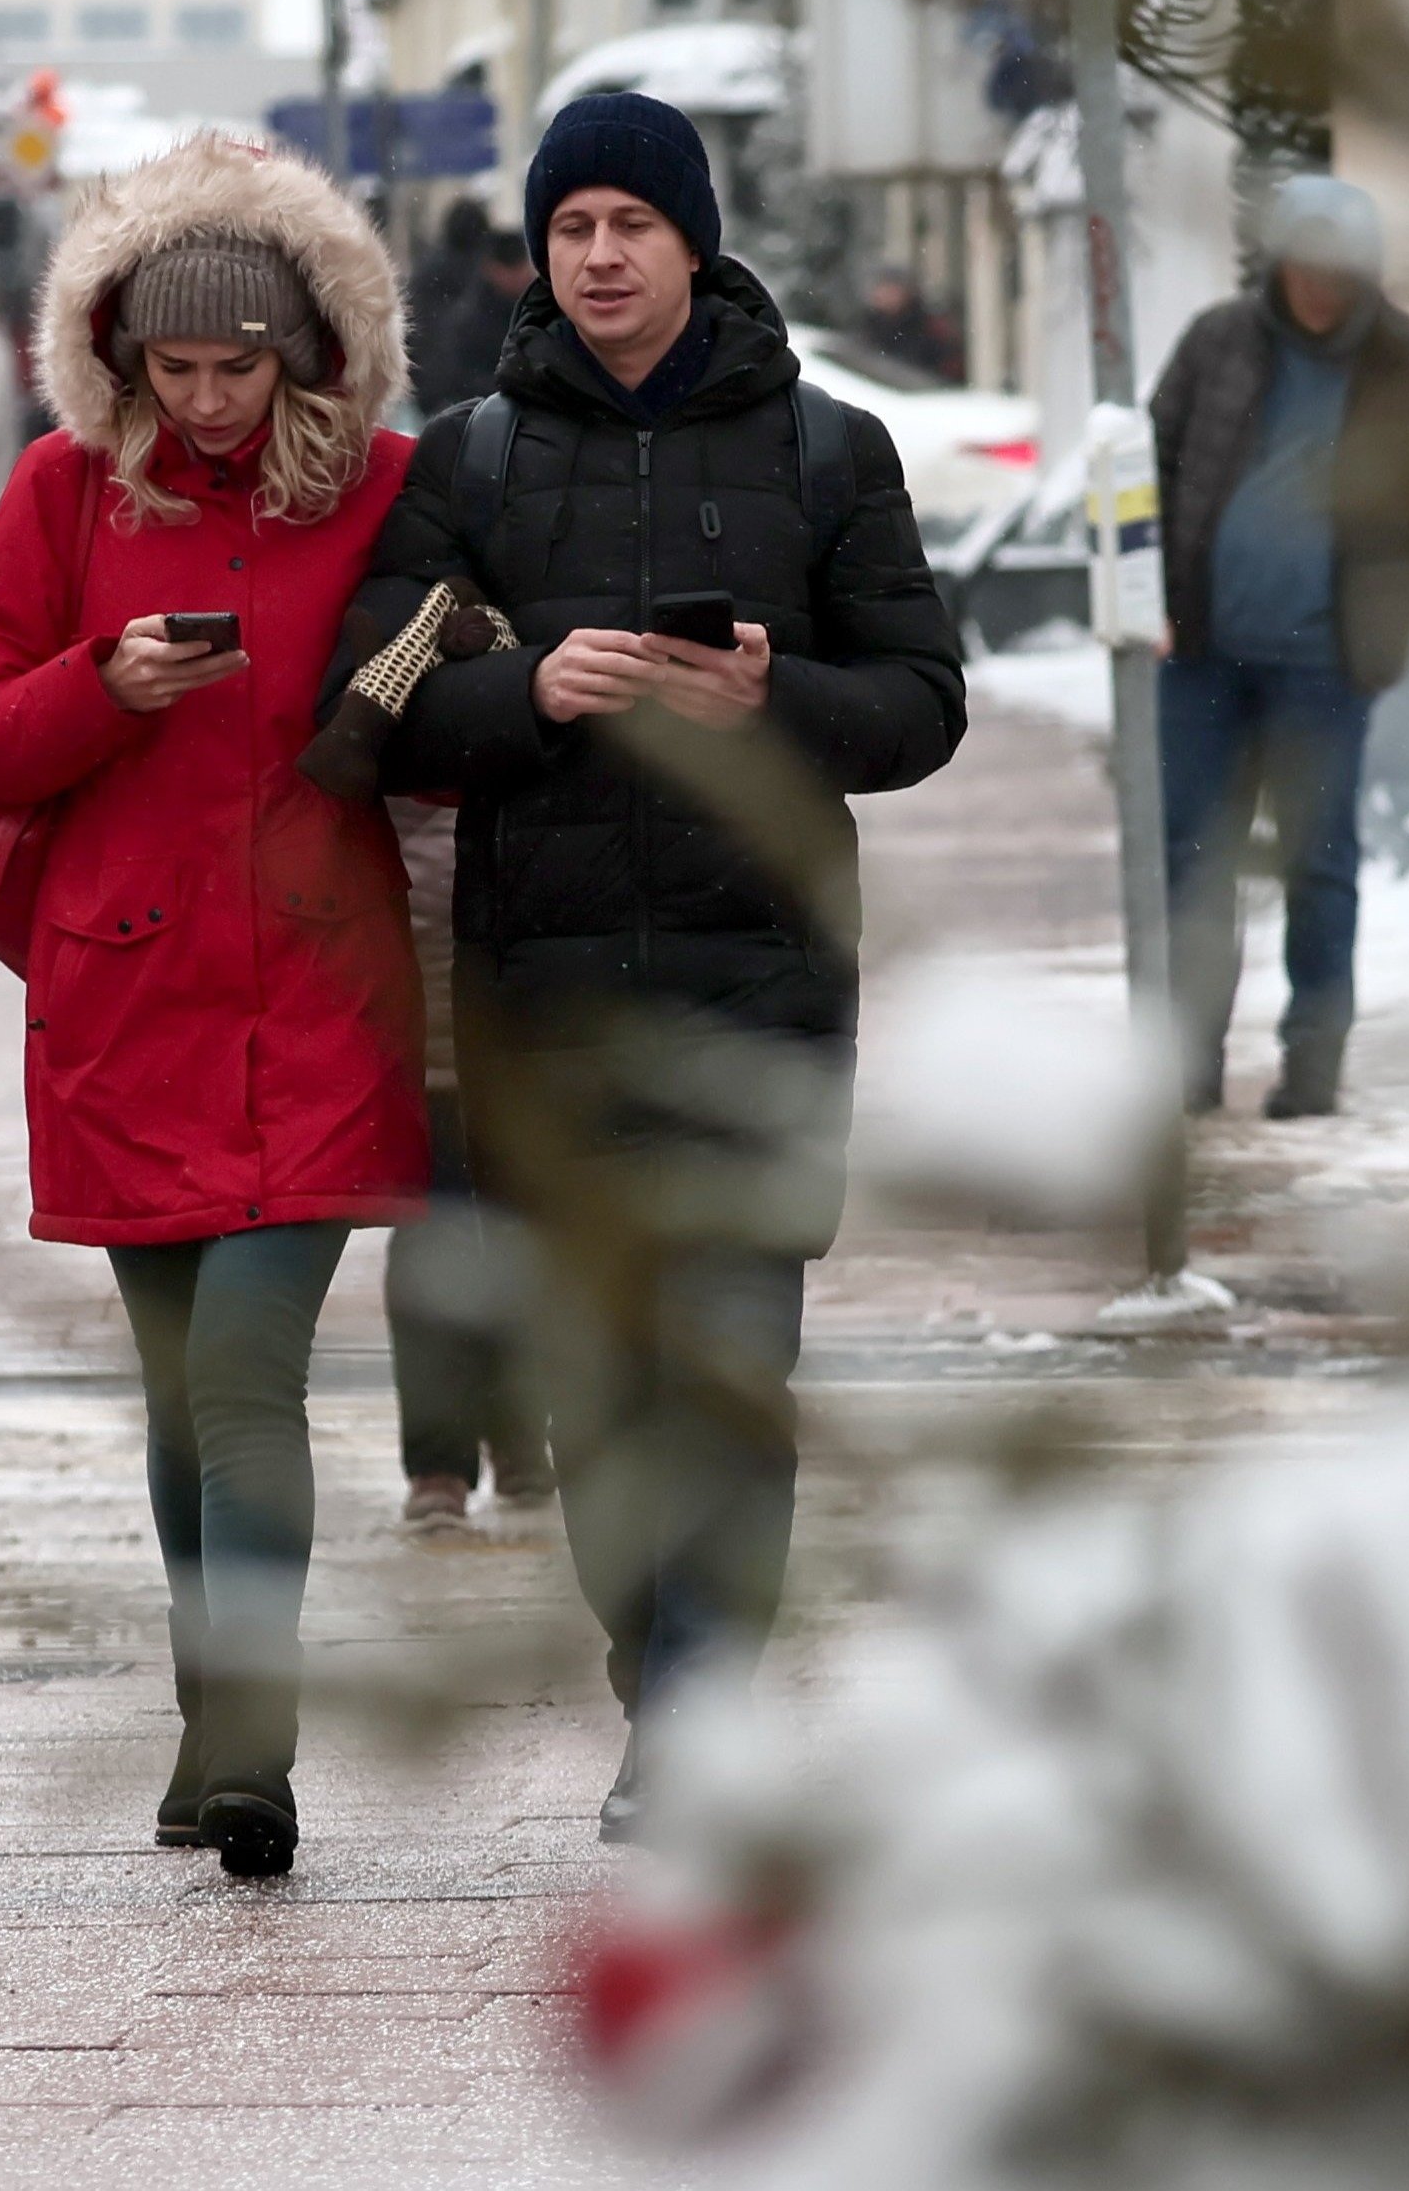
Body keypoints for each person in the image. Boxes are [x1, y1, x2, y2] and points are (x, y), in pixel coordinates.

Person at [332, 91, 967, 1840]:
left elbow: (924, 704)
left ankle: (703, 1710)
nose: (600, 258)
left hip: (757, 980)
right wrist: (521, 693)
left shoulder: (828, 450)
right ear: (538, 253)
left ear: (697, 239)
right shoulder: (465, 460)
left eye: (631, 223)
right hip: (543, 999)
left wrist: (785, 697)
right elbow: (368, 711)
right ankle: (659, 1662)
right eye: (571, 230)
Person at [0, 134, 425, 1881]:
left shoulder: (386, 489)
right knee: (172, 1400)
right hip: (131, 1000)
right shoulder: (67, 496)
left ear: (310, 349)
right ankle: (209, 1705)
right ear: (120, 358)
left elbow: (453, 679)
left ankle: (253, 1747)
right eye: (174, 368)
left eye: (240, 365)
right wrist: (104, 683)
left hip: (323, 994)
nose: (207, 403)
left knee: (239, 1375)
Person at [1146, 173, 1409, 1118]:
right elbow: (1154, 459)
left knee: (1317, 860)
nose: (1324, 286)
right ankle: (1188, 1062)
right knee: (1193, 859)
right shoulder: (1220, 342)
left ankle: (1312, 1065)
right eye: (1309, 263)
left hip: (1328, 664)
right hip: (1204, 653)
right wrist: (1151, 591)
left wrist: (1403, 599)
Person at [382, 790, 549, 1533]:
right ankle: (441, 1465)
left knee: (528, 1254)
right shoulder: (370, 740)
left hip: (526, 1075)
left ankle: (514, 1439)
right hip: (430, 1077)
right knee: (438, 1255)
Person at [405, 196, 530, 416]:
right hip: (486, 405)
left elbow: (415, 333)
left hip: (438, 395)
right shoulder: (485, 284)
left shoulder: (427, 274)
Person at [854, 264, 962, 384]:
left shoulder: (927, 327)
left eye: (892, 290)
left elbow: (948, 367)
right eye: (883, 289)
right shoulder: (868, 327)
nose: (887, 296)